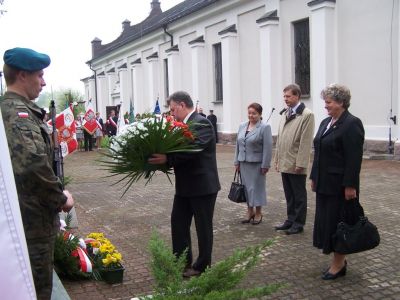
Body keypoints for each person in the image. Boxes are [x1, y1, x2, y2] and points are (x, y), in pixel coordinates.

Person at [0, 47, 74, 299]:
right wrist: (62, 199)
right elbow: (32, 165)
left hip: (21, 219)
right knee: (35, 289)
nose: (43, 82)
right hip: (30, 222)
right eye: (39, 75)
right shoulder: (18, 115)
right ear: (22, 75)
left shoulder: (11, 109)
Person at [148, 91, 220, 277]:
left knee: (203, 228)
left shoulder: (201, 122)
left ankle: (202, 266)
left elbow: (192, 150)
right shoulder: (181, 125)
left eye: (172, 109)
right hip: (184, 187)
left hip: (202, 187)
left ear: (181, 105)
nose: (171, 114)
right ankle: (181, 262)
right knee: (178, 224)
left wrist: (167, 158)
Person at [310, 83, 364, 280]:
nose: (326, 106)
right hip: (324, 184)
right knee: (326, 222)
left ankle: (339, 264)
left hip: (340, 186)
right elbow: (318, 152)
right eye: (325, 102)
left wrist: (350, 185)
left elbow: (354, 158)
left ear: (341, 102)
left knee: (337, 223)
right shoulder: (326, 122)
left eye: (329, 102)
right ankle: (338, 259)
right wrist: (314, 177)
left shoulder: (352, 123)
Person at [274, 84, 315, 235]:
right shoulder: (285, 113)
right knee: (289, 194)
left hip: (296, 163)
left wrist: (302, 163)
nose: (286, 99)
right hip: (285, 161)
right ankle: (290, 219)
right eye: (284, 96)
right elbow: (280, 138)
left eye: (289, 96)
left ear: (297, 96)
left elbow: (305, 141)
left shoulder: (306, 115)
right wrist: (277, 159)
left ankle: (298, 223)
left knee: (299, 195)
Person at [234, 103, 273, 225]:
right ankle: (249, 211)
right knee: (246, 189)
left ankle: (258, 212)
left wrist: (265, 165)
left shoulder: (264, 127)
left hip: (257, 164)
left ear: (260, 114)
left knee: (257, 189)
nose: (251, 115)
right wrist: (236, 161)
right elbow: (237, 145)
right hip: (243, 163)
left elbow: (268, 147)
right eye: (249, 113)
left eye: (254, 113)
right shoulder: (242, 126)